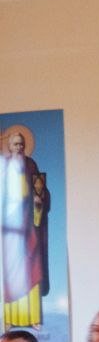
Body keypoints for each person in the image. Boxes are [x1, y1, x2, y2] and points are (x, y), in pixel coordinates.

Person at [2, 129, 50, 327]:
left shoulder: (30, 165)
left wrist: (39, 199)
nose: (19, 147)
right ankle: (10, 319)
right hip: (9, 231)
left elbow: (40, 190)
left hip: (29, 226)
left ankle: (33, 318)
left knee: (31, 268)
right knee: (11, 273)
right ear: (9, 147)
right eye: (15, 144)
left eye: (21, 144)